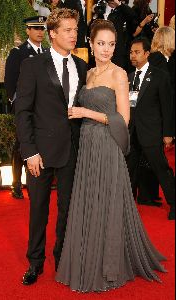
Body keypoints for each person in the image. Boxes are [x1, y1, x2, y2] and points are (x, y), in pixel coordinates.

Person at [55, 19, 167, 293]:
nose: (106, 49)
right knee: (89, 201)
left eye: (112, 44)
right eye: (101, 44)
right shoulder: (89, 74)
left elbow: (123, 119)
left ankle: (107, 262)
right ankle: (86, 257)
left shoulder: (119, 74)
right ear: (91, 45)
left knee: (106, 200)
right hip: (87, 146)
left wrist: (86, 113)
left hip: (107, 145)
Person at [15, 8, 87, 285]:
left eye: (75, 30)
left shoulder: (81, 66)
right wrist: (29, 151)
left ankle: (62, 259)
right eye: (67, 30)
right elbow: (23, 111)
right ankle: (35, 262)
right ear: (53, 33)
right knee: (39, 211)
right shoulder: (33, 65)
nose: (73, 35)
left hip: (72, 149)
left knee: (68, 210)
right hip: (40, 153)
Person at [127, 37, 175, 220]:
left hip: (152, 133)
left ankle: (174, 203)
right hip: (133, 134)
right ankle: (128, 207)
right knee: (130, 172)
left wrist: (168, 133)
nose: (133, 55)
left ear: (147, 53)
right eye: (131, 52)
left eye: (137, 52)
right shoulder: (129, 77)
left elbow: (167, 107)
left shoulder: (160, 76)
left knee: (162, 170)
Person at [4, 16, 47, 199]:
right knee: (21, 144)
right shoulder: (18, 52)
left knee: (40, 143)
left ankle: (37, 181)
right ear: (27, 30)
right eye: (35, 28)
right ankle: (16, 184)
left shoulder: (47, 52)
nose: (39, 32)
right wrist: (17, 104)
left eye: (41, 28)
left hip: (43, 108)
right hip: (25, 106)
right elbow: (10, 82)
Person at [137, 26, 176, 206]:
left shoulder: (162, 60)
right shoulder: (158, 61)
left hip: (152, 121)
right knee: (158, 164)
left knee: (148, 160)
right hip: (153, 122)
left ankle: (148, 195)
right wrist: (167, 130)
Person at [89, 0, 135, 70]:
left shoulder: (122, 11)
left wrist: (119, 4)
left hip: (117, 52)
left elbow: (133, 16)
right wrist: (94, 15)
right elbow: (91, 28)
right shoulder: (100, 8)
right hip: (100, 52)